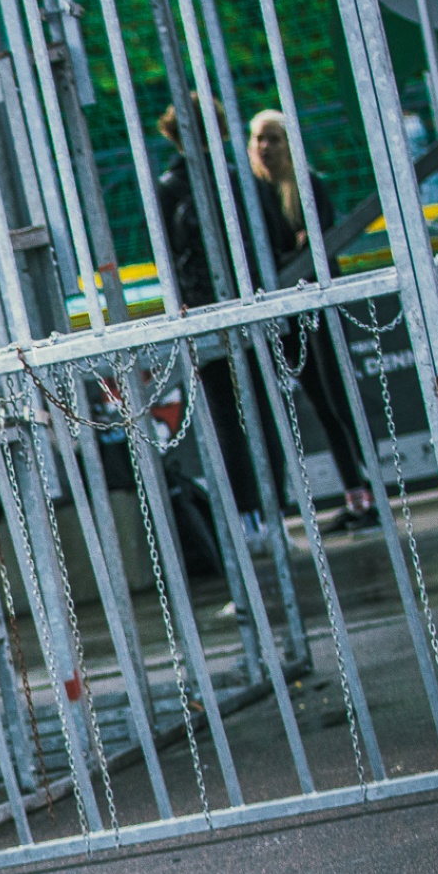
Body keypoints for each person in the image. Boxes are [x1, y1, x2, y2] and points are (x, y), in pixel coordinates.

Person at [154, 98, 286, 550]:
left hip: (203, 312)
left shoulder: (169, 187)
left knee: (227, 418)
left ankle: (249, 518)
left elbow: (166, 256)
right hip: (248, 305)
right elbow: (272, 239)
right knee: (261, 412)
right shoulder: (239, 180)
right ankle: (272, 514)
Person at [246, 110, 378, 533]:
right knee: (320, 403)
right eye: (259, 139)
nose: (265, 147)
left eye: (274, 139)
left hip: (319, 301)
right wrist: (291, 252)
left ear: (288, 144)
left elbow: (316, 245)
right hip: (285, 309)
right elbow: (268, 254)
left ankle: (371, 492)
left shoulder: (307, 184)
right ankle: (356, 495)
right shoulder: (252, 192)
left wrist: (291, 254)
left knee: (340, 398)